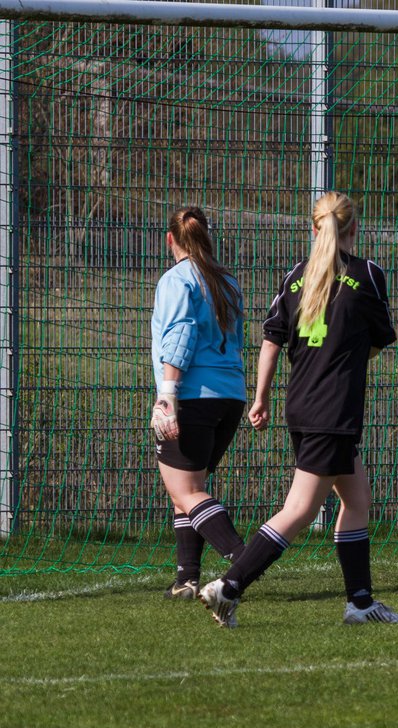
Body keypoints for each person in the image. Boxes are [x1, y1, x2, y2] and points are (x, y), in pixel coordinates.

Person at [198, 191, 398, 628]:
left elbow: (272, 340)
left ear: (313, 228)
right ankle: (229, 587)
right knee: (300, 510)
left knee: (357, 499)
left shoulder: (295, 276)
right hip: (334, 410)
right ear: (353, 228)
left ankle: (361, 603)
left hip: (303, 406)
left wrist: (261, 397)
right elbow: (378, 341)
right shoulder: (367, 273)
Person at [150, 206, 247, 600]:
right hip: (230, 397)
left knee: (185, 492)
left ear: (170, 239)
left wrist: (167, 394)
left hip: (191, 396)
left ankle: (245, 561)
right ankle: (186, 579)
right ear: (207, 236)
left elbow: (181, 334)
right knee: (188, 490)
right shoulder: (227, 281)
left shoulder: (177, 279)